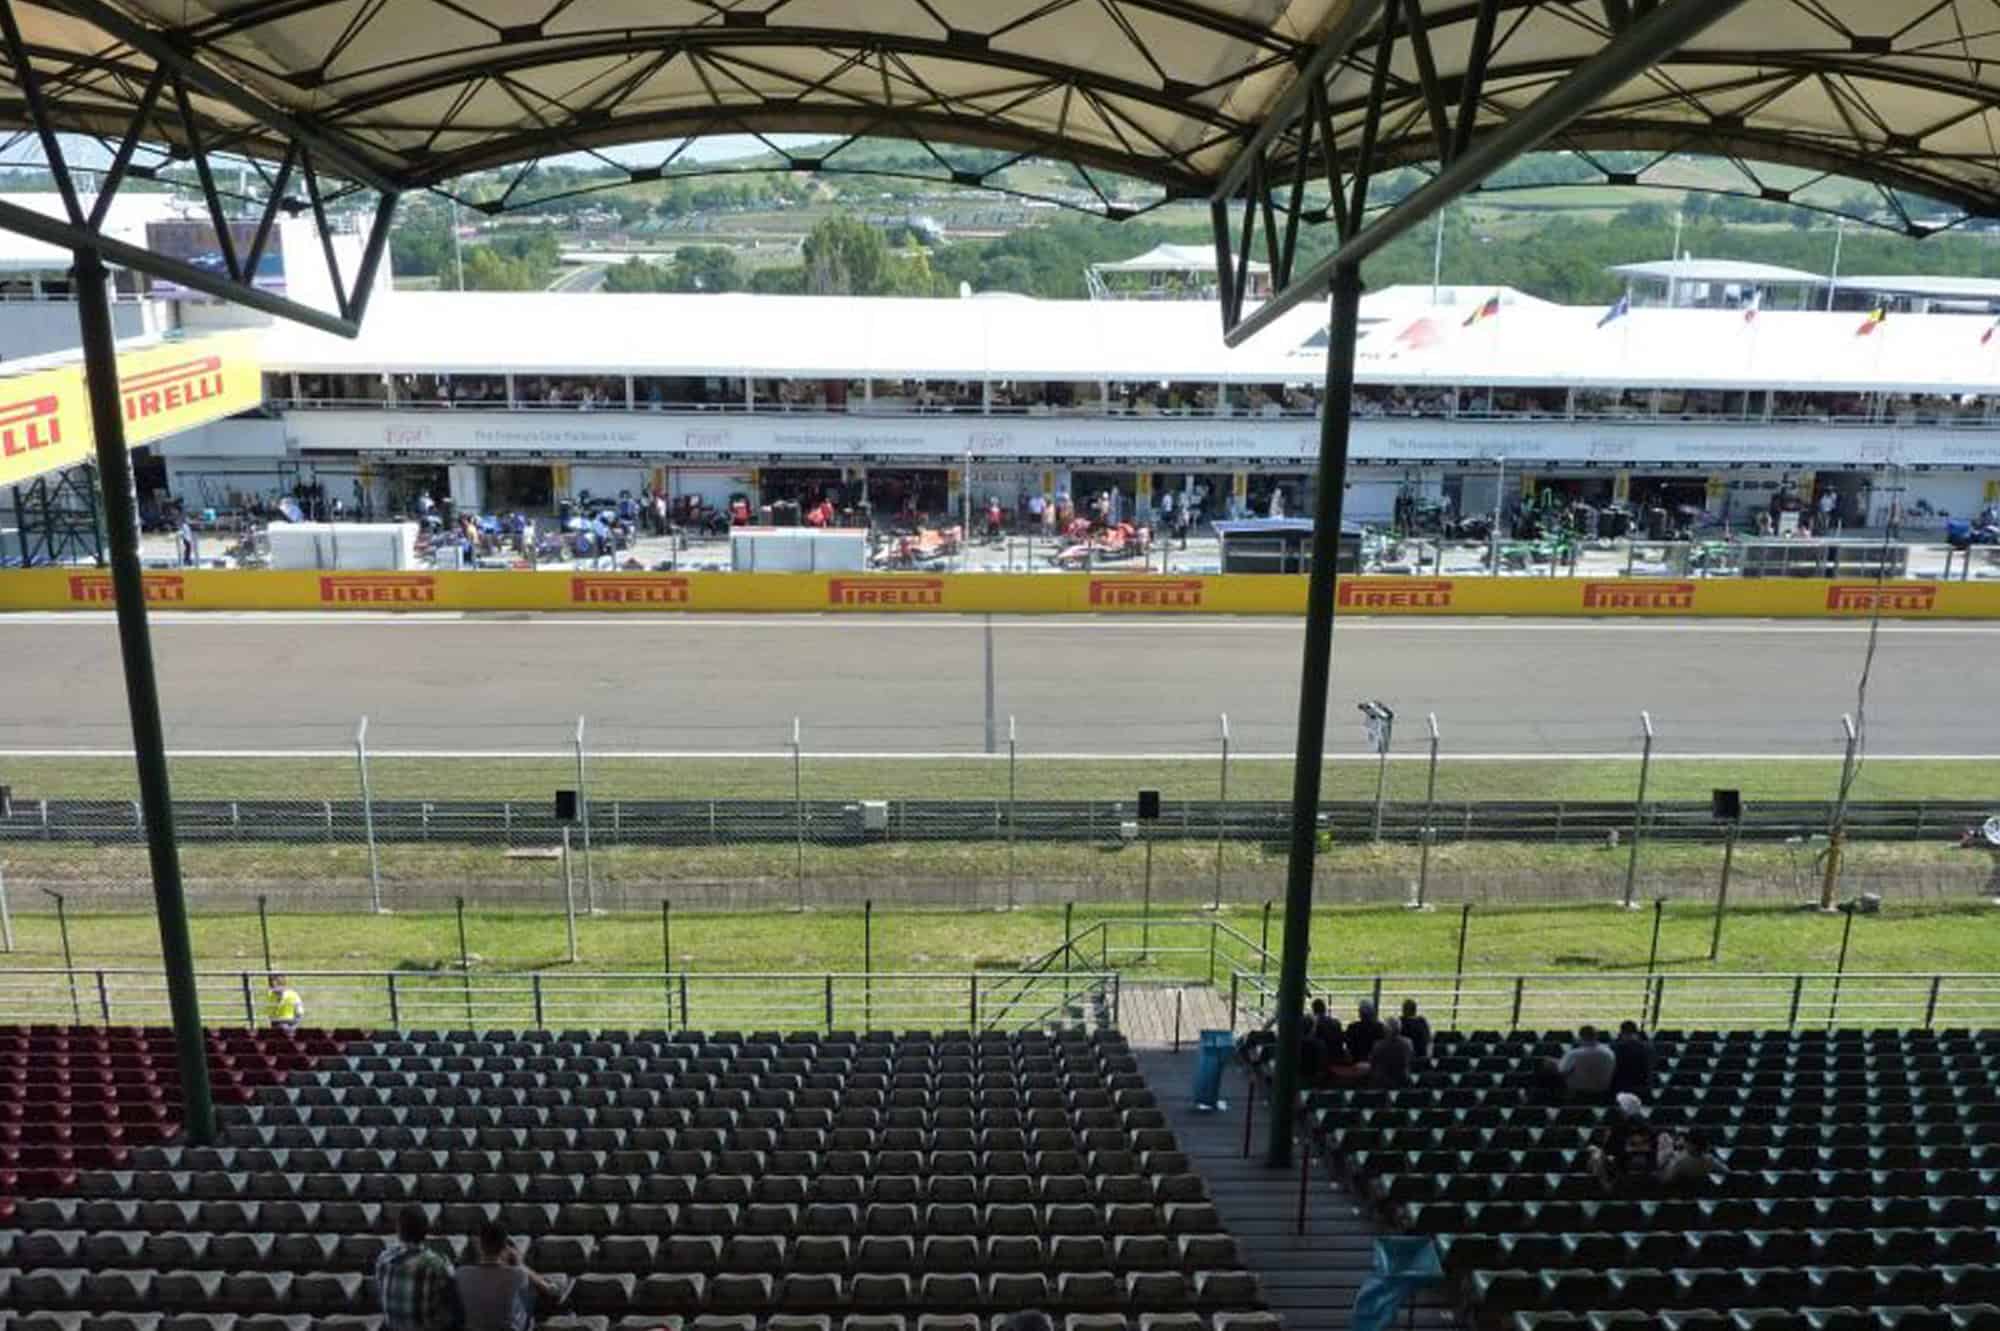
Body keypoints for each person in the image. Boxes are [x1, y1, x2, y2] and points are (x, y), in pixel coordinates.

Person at [456, 1221, 564, 1331]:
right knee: (533, 1292)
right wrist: (521, 1265)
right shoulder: (518, 1274)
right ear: (504, 1247)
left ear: (480, 1245)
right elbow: (552, 1292)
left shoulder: (461, 1273)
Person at [375, 1205, 459, 1331]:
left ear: (399, 1230)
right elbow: (454, 1300)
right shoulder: (438, 1263)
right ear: (426, 1230)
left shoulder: (383, 1259)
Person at [1544, 1024, 1616, 1099]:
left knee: (1547, 1065)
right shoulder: (1609, 1052)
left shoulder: (1574, 1054)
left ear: (1580, 1037)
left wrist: (1553, 1062)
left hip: (1579, 1092)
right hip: (1604, 1091)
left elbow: (1561, 1071)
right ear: (1596, 1036)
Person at [1656, 1130, 1721, 1188]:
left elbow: (1665, 1180)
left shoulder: (1681, 1162)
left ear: (1691, 1145)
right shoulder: (1711, 1159)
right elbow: (1728, 1172)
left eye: (1686, 1142)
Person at [1610, 1020, 1654, 1099]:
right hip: (1643, 1089)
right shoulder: (1648, 1048)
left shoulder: (1615, 1048)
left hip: (1620, 1089)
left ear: (1621, 1033)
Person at [1368, 1017, 1414, 1089]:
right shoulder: (1408, 1043)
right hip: (1403, 1081)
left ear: (1385, 1030)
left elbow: (1372, 1063)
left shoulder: (1378, 1045)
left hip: (1382, 1083)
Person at [1308, 998, 1347, 1068]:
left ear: (1313, 1011)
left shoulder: (1316, 1025)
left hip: (1325, 1061)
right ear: (1325, 1009)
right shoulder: (1336, 1022)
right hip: (1338, 1057)